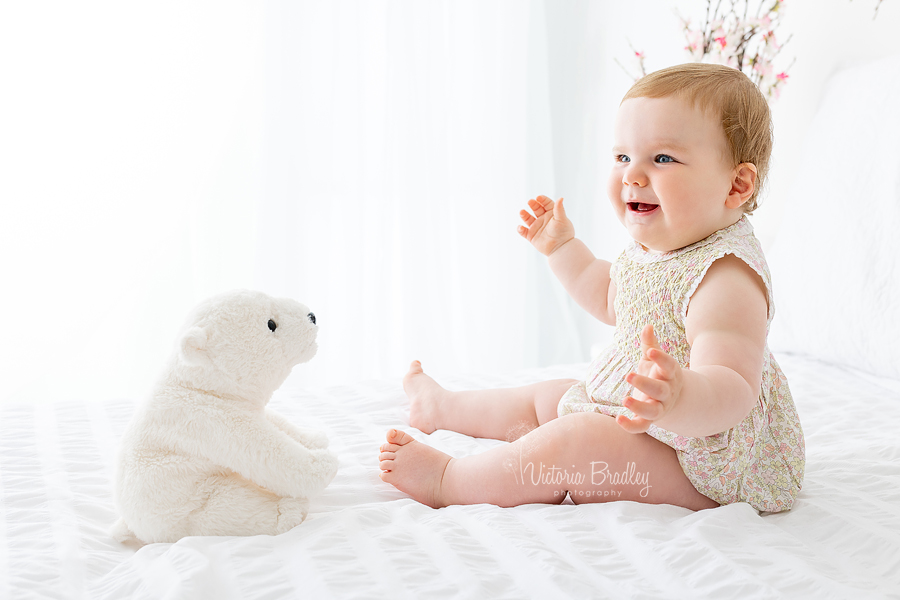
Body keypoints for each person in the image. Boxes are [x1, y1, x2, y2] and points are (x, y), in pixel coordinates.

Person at [378, 63, 805, 513]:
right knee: (551, 397)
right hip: (648, 420)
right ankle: (442, 408)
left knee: (575, 440)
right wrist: (562, 248)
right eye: (623, 157)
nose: (632, 176)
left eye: (662, 159)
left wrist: (680, 397)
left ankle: (450, 481)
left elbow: (734, 385)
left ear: (736, 185)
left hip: (701, 462)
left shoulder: (726, 277)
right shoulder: (660, 248)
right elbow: (608, 295)